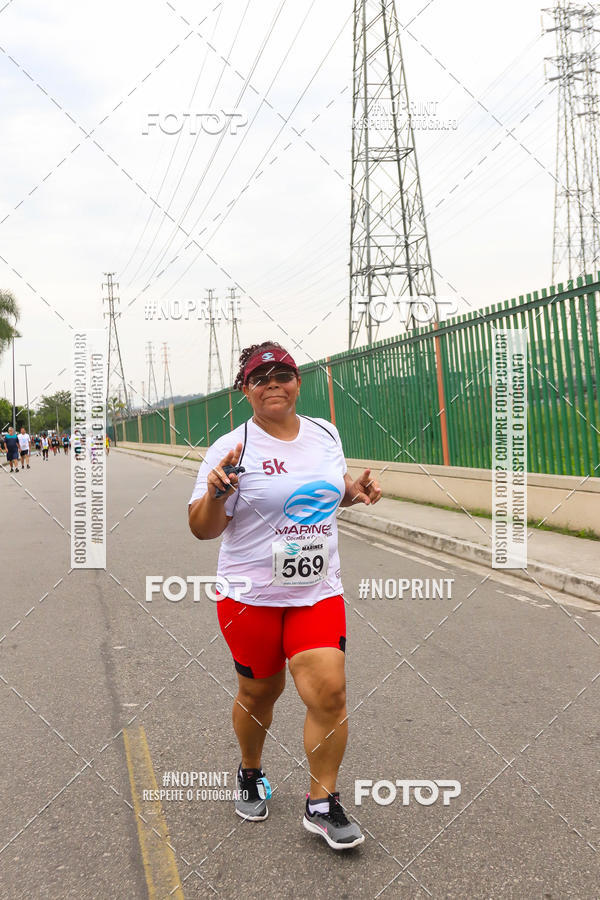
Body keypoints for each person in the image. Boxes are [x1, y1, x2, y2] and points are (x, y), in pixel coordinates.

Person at [188, 341, 382, 851]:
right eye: (260, 377)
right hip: (249, 593)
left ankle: (321, 803)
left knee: (329, 691)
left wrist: (353, 492)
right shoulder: (231, 449)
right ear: (245, 390)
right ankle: (251, 771)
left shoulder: (324, 433)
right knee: (259, 695)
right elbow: (201, 529)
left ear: (298, 383)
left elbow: (328, 490)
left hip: (316, 588)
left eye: (283, 374)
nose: (273, 382)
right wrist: (215, 494)